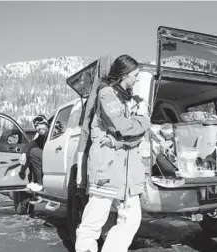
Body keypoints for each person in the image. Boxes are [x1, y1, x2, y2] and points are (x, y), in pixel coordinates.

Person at [74, 55, 151, 252]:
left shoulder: (128, 99)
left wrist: (123, 138)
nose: (137, 79)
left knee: (132, 219)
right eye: (135, 75)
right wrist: (144, 120)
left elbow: (136, 137)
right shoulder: (107, 94)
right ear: (124, 74)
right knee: (94, 219)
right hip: (107, 167)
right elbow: (124, 127)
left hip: (127, 172)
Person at [19, 114, 49, 192]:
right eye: (36, 126)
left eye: (41, 124)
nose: (38, 128)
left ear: (46, 123)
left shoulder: (53, 132)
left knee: (34, 152)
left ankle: (40, 184)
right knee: (30, 151)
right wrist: (23, 153)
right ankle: (34, 181)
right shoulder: (41, 137)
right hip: (48, 158)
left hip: (55, 158)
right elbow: (31, 144)